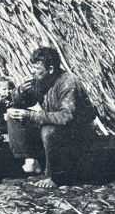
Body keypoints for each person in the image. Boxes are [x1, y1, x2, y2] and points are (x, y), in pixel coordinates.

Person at [7, 47, 96, 188]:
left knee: (48, 131)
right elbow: (22, 102)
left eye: (37, 68)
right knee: (15, 116)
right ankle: (31, 161)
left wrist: (32, 116)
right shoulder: (40, 81)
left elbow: (67, 117)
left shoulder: (68, 83)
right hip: (54, 126)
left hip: (77, 133)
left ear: (50, 69)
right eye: (33, 67)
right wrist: (20, 92)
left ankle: (54, 176)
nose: (32, 71)